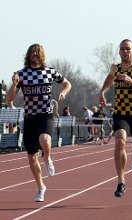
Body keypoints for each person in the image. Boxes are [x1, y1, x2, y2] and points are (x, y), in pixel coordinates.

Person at [6, 43, 72, 202]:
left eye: (37, 52)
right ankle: (41, 187)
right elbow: (9, 99)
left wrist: (63, 92)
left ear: (41, 54)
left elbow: (67, 83)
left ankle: (48, 157)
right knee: (32, 156)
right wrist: (14, 84)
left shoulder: (50, 71)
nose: (35, 54)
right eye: (32, 52)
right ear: (28, 55)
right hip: (30, 118)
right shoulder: (21, 74)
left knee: (45, 140)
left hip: (45, 114)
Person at [99, 39, 132, 197]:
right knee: (119, 141)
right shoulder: (115, 68)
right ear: (119, 51)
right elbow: (110, 78)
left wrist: (131, 81)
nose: (125, 52)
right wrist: (102, 91)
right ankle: (121, 181)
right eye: (122, 49)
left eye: (128, 49)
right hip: (120, 113)